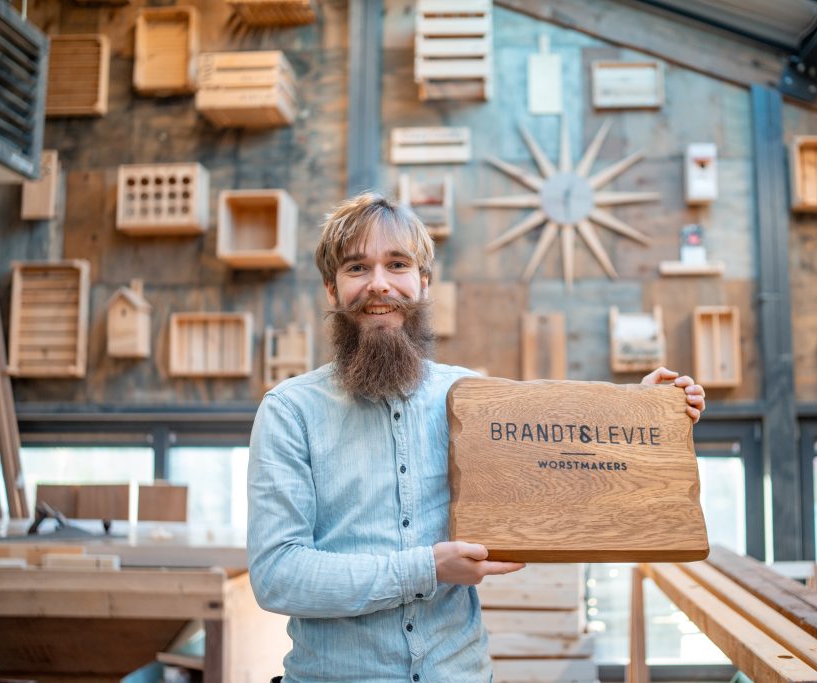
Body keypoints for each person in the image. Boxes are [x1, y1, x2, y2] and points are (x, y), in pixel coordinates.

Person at [247, 192, 706, 682]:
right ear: (332, 290)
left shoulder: (472, 398)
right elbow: (278, 576)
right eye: (357, 268)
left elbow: (561, 469)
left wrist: (639, 417)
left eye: (397, 265)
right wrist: (427, 569)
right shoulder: (289, 411)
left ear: (423, 284)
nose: (379, 284)